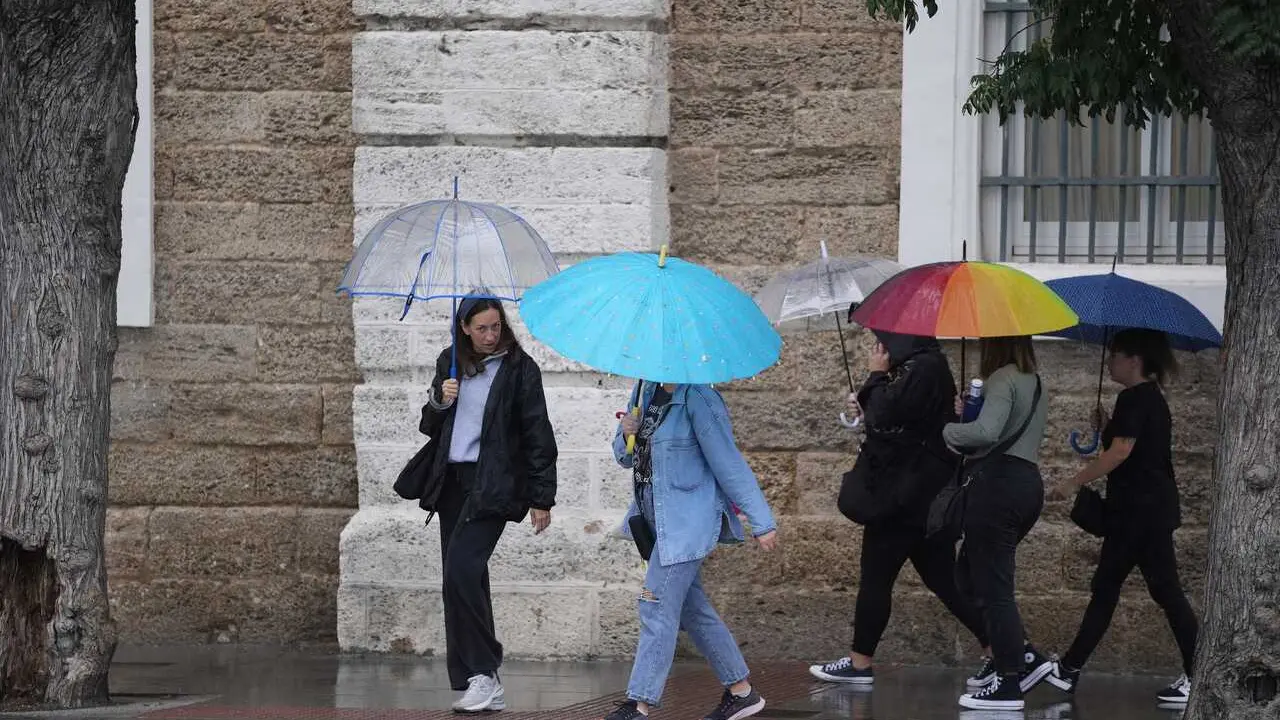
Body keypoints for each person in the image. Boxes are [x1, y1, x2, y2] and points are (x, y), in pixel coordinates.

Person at [808, 331, 992, 688]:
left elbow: (885, 413)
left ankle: (860, 665)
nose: (881, 347)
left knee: (876, 579)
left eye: (884, 340)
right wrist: (867, 400)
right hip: (918, 497)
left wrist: (875, 376)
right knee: (946, 581)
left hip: (902, 499)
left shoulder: (923, 368)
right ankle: (1004, 650)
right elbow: (891, 421)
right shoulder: (920, 367)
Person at [602, 380, 779, 720]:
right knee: (692, 609)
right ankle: (742, 692)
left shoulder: (699, 398)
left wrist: (762, 520)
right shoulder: (644, 391)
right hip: (656, 526)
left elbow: (728, 462)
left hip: (687, 524)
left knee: (654, 604)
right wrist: (626, 433)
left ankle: (638, 705)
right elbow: (625, 457)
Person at [418, 296, 558, 713]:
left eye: (496, 326)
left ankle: (484, 672)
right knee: (465, 580)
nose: (491, 335)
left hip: (493, 484)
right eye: (481, 328)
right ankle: (480, 679)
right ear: (464, 327)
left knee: (460, 572)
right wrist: (441, 398)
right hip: (452, 483)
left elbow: (538, 434)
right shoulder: (451, 361)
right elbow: (429, 425)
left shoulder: (520, 368)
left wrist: (542, 497)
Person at [1046, 328, 1199, 706]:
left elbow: (1121, 453)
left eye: (1115, 355)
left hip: (1139, 515)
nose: (1110, 360)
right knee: (1124, 588)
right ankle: (1070, 667)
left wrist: (1072, 482)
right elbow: (1126, 445)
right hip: (1142, 513)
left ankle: (1200, 673)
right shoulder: (1143, 399)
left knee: (1147, 590)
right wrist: (1105, 425)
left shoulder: (1136, 399)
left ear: (1134, 360)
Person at [943, 336, 1055, 711]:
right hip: (1026, 485)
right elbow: (997, 428)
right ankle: (1022, 656)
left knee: (994, 588)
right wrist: (970, 413)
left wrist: (950, 430)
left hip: (998, 487)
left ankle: (1010, 682)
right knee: (968, 576)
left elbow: (986, 435)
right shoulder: (1033, 380)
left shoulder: (1001, 378)